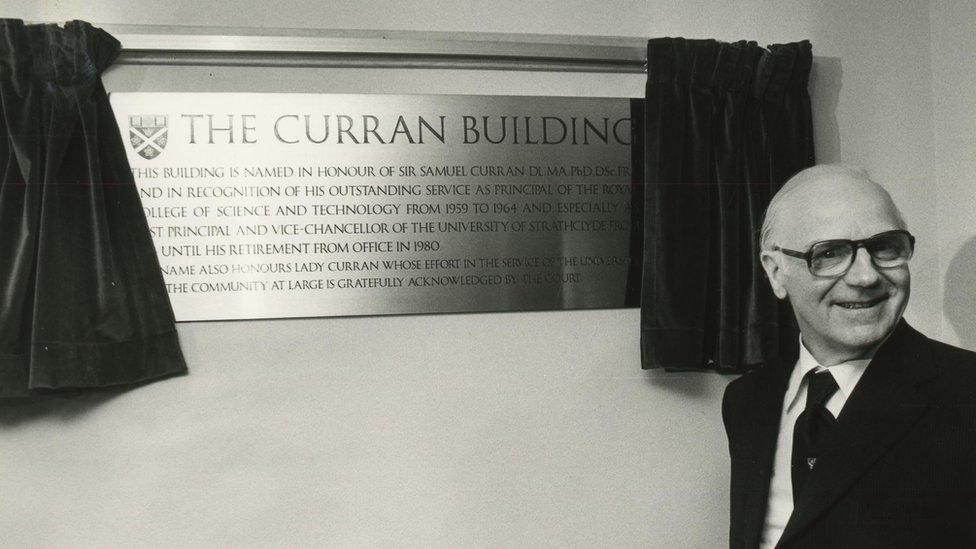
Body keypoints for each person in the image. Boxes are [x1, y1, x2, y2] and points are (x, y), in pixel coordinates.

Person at [722, 165, 976, 548]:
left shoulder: (967, 395)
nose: (865, 277)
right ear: (775, 272)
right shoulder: (746, 400)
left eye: (885, 247)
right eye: (829, 254)